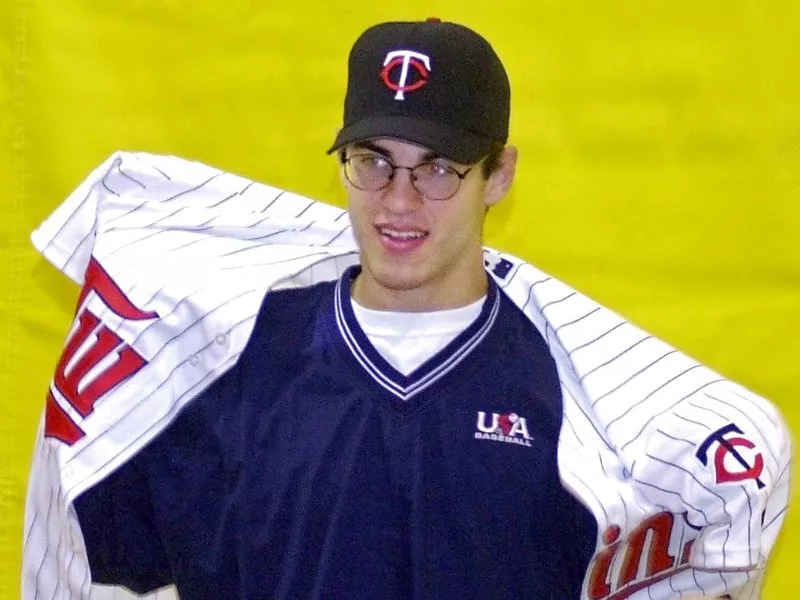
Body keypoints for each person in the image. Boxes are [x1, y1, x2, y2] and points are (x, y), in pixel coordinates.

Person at [22, 18, 790, 600]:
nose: (398, 200)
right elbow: (106, 565)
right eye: (373, 162)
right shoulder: (219, 365)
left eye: (439, 169)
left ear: (499, 175)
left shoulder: (587, 409)